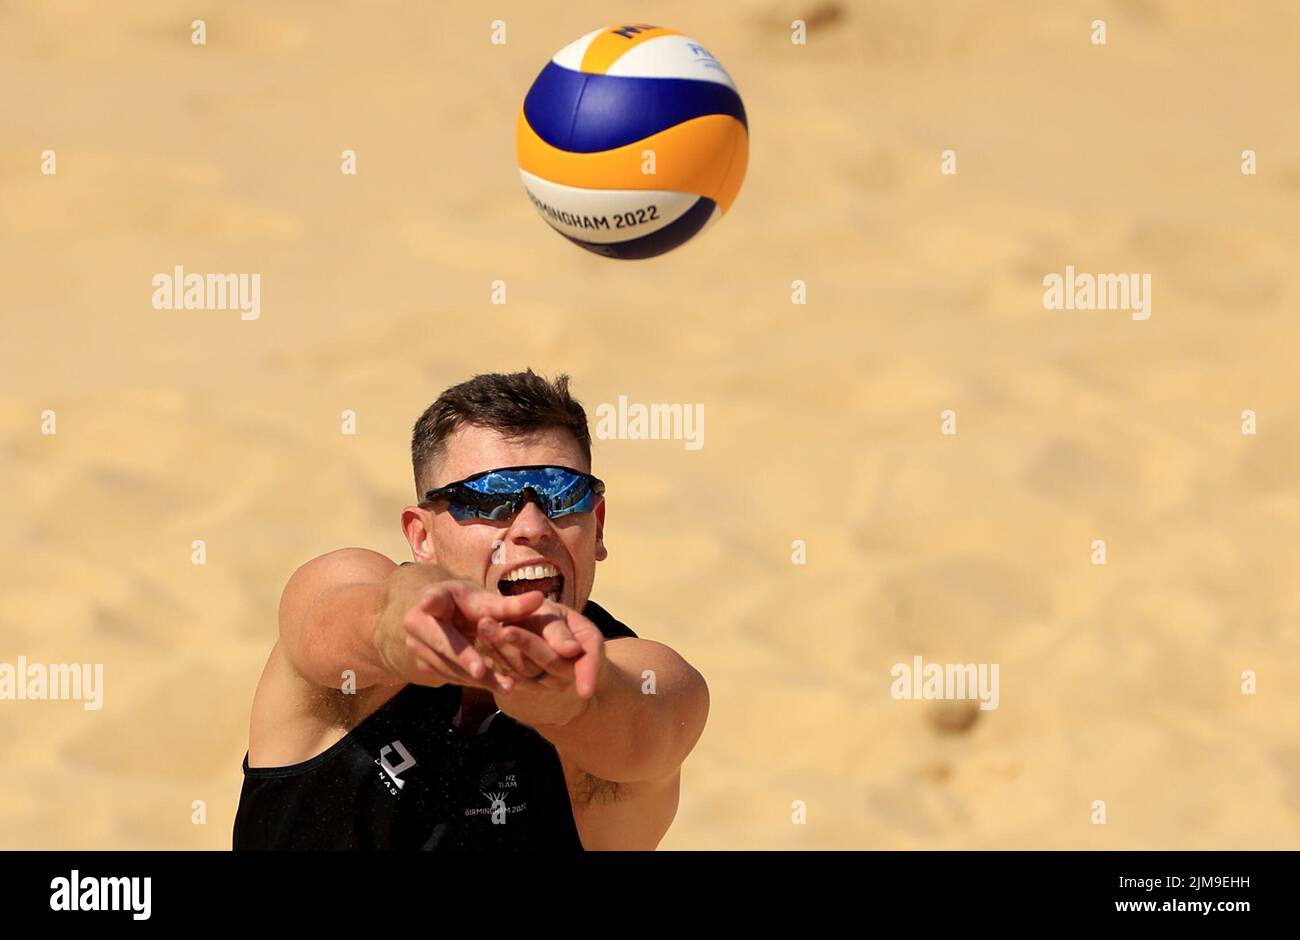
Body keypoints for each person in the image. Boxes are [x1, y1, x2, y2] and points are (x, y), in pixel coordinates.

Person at [232, 370, 709, 850]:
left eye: (561, 494)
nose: (531, 527)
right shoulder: (349, 598)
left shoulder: (645, 678)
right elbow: (338, 623)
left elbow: (644, 724)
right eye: (489, 499)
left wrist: (562, 695)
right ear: (422, 536)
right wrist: (403, 627)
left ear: (598, 525)